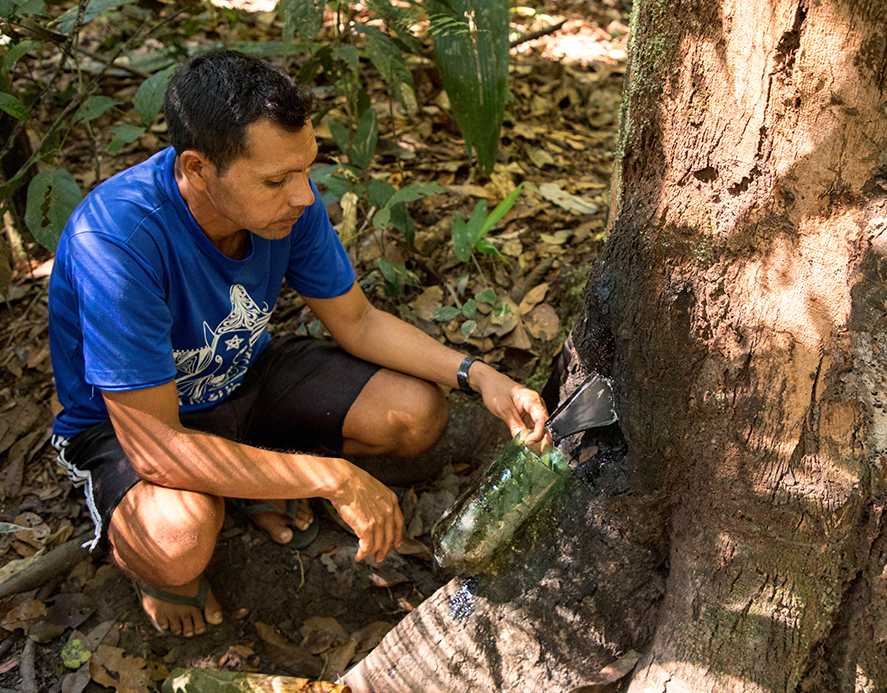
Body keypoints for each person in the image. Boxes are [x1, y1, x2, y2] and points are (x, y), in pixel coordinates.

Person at [47, 50, 550, 638]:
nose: (304, 196)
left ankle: (248, 482)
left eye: (305, 170)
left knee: (417, 414)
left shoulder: (286, 206)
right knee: (178, 542)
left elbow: (358, 322)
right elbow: (158, 449)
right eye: (275, 180)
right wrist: (330, 478)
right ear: (198, 168)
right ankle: (172, 545)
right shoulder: (118, 239)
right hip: (130, 427)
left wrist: (479, 374)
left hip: (241, 374)